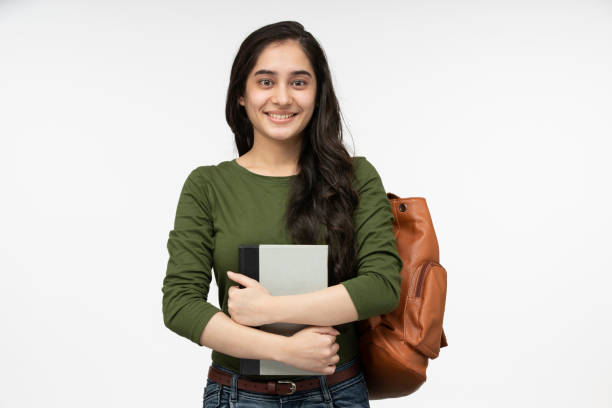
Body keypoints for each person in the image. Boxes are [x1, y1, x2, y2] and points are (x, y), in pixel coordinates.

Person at [161, 20, 403, 408]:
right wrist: (284, 349)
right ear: (241, 94)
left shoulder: (355, 176)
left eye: (299, 82)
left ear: (318, 93)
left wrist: (271, 309)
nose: (283, 98)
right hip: (238, 395)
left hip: (336, 393)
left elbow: (381, 285)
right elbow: (180, 304)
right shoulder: (207, 185)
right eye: (266, 81)